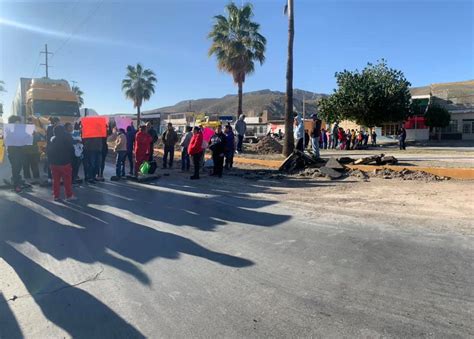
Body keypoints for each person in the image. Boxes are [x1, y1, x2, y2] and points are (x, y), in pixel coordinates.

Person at [47, 124, 75, 201]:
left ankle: (56, 196)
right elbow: (72, 150)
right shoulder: (67, 138)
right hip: (65, 163)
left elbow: (48, 152)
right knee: (67, 181)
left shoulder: (52, 140)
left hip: (54, 164)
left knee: (56, 181)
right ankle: (69, 196)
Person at [6, 116, 24, 193]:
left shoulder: (19, 130)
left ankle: (16, 181)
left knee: (18, 167)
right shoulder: (9, 130)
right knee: (16, 168)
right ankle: (16, 186)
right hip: (13, 152)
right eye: (18, 122)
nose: (19, 123)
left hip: (19, 151)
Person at [22, 117, 41, 184]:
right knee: (33, 165)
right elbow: (38, 140)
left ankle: (29, 179)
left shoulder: (32, 132)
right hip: (32, 152)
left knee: (27, 165)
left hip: (28, 152)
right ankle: (35, 178)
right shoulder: (35, 132)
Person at [45, 117, 60, 182]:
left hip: (51, 148)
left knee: (52, 163)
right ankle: (50, 177)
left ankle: (51, 177)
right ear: (55, 122)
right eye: (59, 122)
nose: (59, 123)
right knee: (52, 163)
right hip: (52, 149)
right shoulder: (51, 128)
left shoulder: (49, 128)